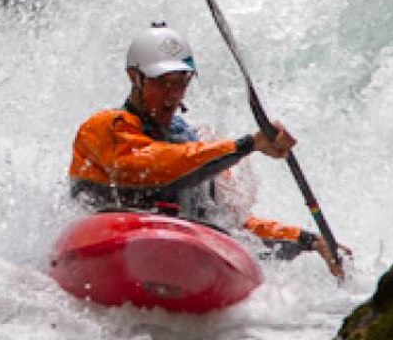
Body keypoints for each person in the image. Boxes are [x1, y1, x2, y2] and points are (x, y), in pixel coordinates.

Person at [68, 22, 344, 277]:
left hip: (178, 258)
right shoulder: (104, 127)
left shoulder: (191, 142)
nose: (173, 94)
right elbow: (153, 167)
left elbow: (233, 227)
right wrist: (247, 144)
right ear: (134, 77)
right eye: (163, 82)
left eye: (181, 82)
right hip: (111, 241)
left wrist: (307, 240)